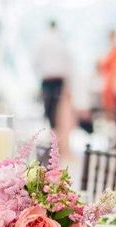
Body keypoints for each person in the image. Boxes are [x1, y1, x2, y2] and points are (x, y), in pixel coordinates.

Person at [34, 20, 73, 156]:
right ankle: (54, 145)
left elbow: (35, 63)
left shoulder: (42, 42)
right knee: (56, 114)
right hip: (58, 82)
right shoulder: (61, 42)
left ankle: (54, 145)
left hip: (48, 81)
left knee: (50, 114)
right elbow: (68, 65)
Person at [98, 30, 116, 117]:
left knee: (115, 108)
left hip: (114, 82)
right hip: (108, 83)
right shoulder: (108, 52)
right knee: (109, 108)